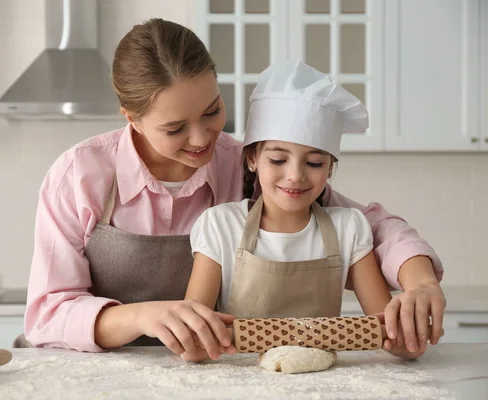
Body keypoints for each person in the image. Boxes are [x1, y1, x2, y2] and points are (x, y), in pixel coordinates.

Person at [23, 18, 445, 361]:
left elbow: (374, 228)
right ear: (131, 118)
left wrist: (420, 282)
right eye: (175, 128)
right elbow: (47, 314)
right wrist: (142, 317)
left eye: (213, 111)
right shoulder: (79, 177)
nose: (201, 138)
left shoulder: (247, 164)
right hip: (97, 374)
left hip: (215, 376)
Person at [186, 60, 424, 361]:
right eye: (278, 160)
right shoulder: (220, 226)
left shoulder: (349, 228)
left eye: (313, 163)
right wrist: (195, 340)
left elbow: (387, 329)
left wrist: (407, 334)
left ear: (330, 168)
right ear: (251, 160)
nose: (295, 175)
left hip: (322, 384)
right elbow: (194, 333)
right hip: (239, 383)